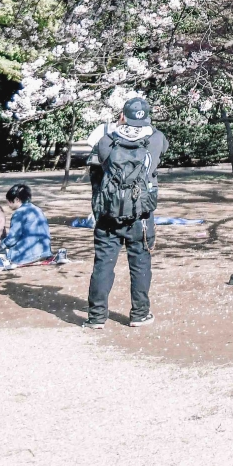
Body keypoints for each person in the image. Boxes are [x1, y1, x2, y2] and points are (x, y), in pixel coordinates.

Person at [87, 95, 168, 326]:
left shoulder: (106, 140)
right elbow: (160, 154)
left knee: (103, 265)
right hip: (140, 216)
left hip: (108, 215)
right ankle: (140, 314)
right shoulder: (157, 138)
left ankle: (96, 317)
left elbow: (99, 164)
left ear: (123, 116)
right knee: (140, 264)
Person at [0, 184, 53, 267]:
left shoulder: (19, 213)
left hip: (26, 255)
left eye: (9, 201)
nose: (8, 204)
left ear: (17, 199)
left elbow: (12, 239)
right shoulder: (37, 209)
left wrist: (1, 245)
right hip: (45, 252)